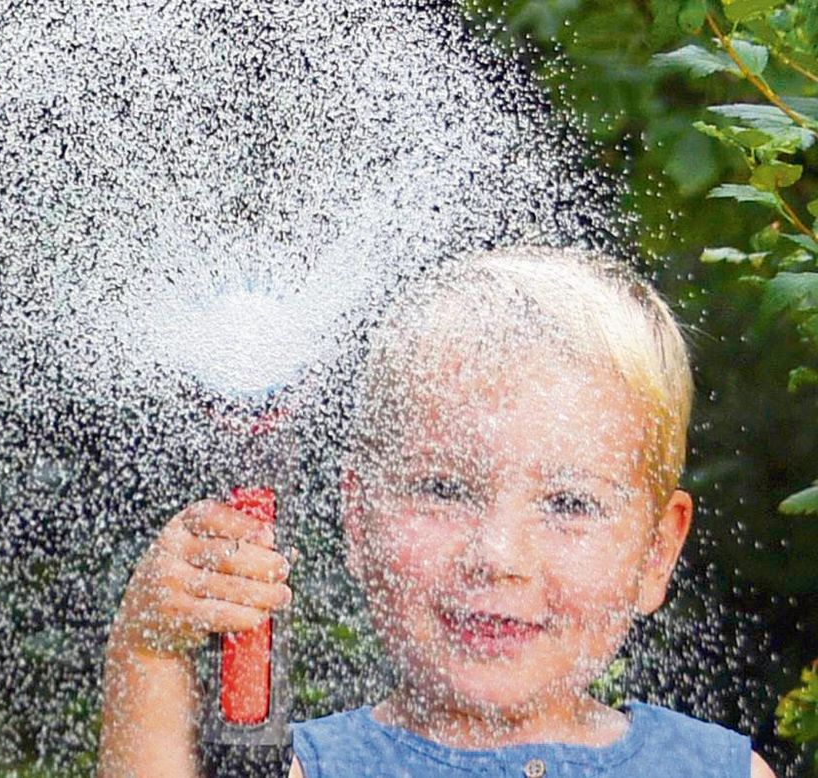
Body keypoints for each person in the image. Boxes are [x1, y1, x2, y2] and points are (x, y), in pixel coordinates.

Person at [97, 247, 777, 777]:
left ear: (655, 554)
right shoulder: (298, 770)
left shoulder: (721, 772)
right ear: (359, 522)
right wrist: (150, 651)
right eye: (444, 491)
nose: (498, 556)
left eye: (570, 504)